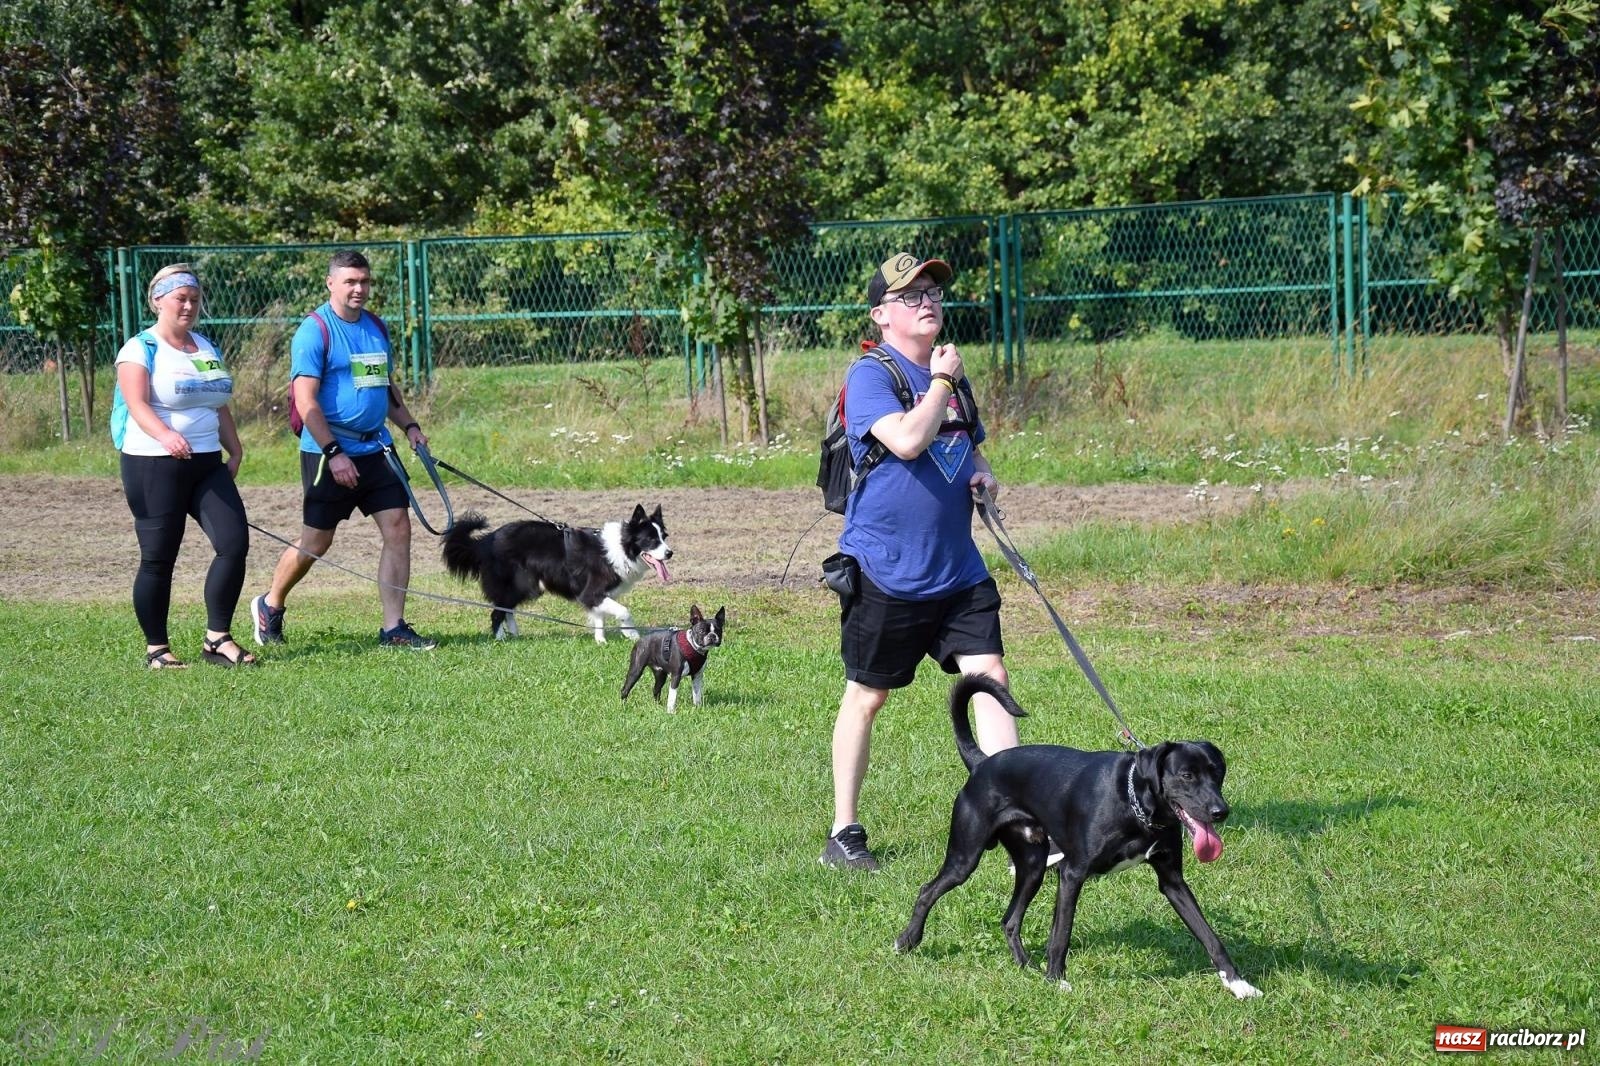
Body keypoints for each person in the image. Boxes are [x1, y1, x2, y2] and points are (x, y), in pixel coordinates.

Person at [820, 252, 1015, 871]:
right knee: (867, 696)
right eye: (911, 296)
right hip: (887, 570)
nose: (928, 301)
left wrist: (983, 478)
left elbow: (970, 450)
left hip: (958, 570)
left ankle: (1014, 818)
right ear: (881, 314)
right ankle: (843, 833)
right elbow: (906, 438)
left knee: (990, 682)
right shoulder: (871, 376)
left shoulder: (951, 376)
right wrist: (940, 382)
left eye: (933, 291)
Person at [249, 250, 436, 650]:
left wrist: (410, 426)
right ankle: (270, 603)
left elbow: (383, 387)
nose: (359, 289)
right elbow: (306, 401)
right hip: (327, 453)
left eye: (365, 281)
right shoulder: (314, 331)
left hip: (377, 450)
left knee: (398, 527)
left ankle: (393, 628)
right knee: (317, 542)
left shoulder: (375, 327)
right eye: (350, 281)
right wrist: (334, 452)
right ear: (331, 283)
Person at [116, 263, 257, 668]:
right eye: (181, 298)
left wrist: (235, 447)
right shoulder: (140, 348)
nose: (189, 306)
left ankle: (218, 640)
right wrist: (164, 435)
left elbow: (217, 401)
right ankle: (157, 649)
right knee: (159, 557)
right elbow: (136, 403)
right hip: (153, 464)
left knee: (233, 544)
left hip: (207, 463)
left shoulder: (205, 346)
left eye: (194, 299)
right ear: (159, 300)